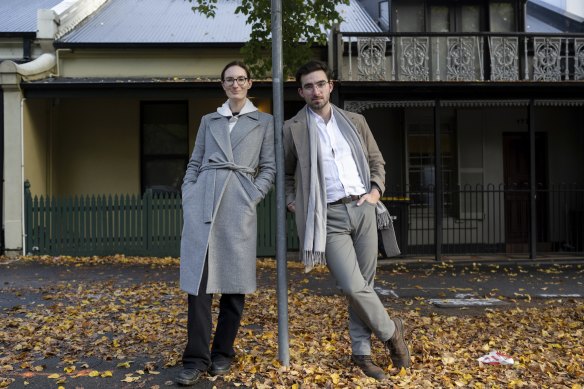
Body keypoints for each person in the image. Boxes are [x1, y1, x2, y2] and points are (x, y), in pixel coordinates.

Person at [283, 60, 409, 380]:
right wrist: (292, 201)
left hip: (363, 208)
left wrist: (376, 192)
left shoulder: (355, 121)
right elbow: (285, 173)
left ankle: (362, 354)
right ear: (301, 92)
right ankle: (392, 333)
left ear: (331, 86)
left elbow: (376, 161)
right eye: (308, 86)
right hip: (328, 215)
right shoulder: (292, 128)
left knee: (363, 286)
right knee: (352, 286)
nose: (316, 90)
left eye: (320, 84)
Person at [176, 61, 276, 386]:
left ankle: (222, 353)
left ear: (249, 84)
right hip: (204, 201)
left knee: (233, 286)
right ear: (223, 85)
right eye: (230, 79)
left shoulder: (264, 122)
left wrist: (252, 195)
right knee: (199, 286)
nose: (235, 84)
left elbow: (269, 167)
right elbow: (195, 160)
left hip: (238, 203)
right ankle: (195, 359)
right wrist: (189, 193)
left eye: (241, 79)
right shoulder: (209, 120)